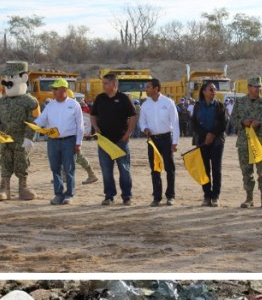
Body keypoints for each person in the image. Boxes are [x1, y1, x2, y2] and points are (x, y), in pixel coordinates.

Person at [0, 62, 39, 201]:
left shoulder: (30, 101)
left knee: (21, 161)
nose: (6, 81)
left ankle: (23, 187)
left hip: (21, 138)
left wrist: (29, 138)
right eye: (5, 77)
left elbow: (33, 121)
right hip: (5, 138)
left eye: (11, 76)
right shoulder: (1, 101)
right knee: (5, 161)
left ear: (23, 78)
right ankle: (4, 187)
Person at [33, 78, 83, 205]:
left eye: (55, 89)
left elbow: (80, 126)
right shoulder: (50, 105)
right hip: (53, 141)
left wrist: (79, 143)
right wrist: (31, 125)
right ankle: (58, 194)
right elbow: (41, 121)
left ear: (64, 89)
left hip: (69, 141)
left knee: (69, 168)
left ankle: (69, 194)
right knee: (55, 168)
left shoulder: (74, 104)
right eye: (53, 89)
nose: (53, 91)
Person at [90, 73, 137, 206]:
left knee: (124, 169)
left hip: (120, 141)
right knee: (106, 170)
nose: (103, 86)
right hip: (104, 142)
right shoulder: (100, 98)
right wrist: (95, 127)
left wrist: (128, 134)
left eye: (106, 83)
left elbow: (133, 116)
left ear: (114, 84)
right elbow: (92, 115)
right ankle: (109, 196)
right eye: (103, 83)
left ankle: (127, 196)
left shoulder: (123, 98)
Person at [231, 77, 262, 208]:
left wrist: (260, 124)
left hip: (260, 142)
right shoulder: (239, 102)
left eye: (260, 86)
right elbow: (233, 120)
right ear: (249, 87)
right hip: (244, 142)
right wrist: (242, 123)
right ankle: (249, 198)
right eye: (256, 87)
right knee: (246, 171)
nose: (258, 89)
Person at [138, 78, 179, 206]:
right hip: (153, 140)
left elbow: (175, 123)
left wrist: (175, 142)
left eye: (148, 87)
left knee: (169, 168)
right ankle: (157, 197)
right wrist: (144, 128)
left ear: (156, 88)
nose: (146, 89)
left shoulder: (168, 102)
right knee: (155, 168)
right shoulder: (145, 105)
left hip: (167, 138)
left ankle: (170, 196)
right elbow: (142, 121)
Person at [191, 81, 227, 207]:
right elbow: (194, 123)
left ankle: (215, 196)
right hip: (202, 141)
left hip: (217, 141)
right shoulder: (197, 106)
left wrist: (212, 134)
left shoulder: (219, 105)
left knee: (216, 169)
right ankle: (207, 195)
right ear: (204, 91)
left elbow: (223, 123)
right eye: (211, 89)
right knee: (204, 169)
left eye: (214, 89)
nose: (213, 91)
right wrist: (205, 135)